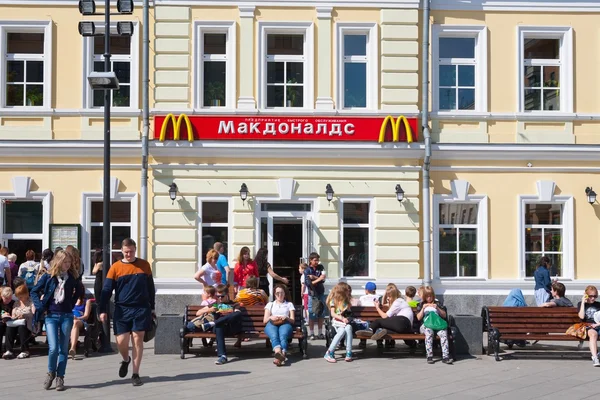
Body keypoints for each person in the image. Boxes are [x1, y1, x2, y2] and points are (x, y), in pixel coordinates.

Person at [99, 238, 155, 387]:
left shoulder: (144, 265)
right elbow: (106, 291)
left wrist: (153, 307)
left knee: (138, 339)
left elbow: (150, 288)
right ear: (122, 252)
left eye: (131, 251)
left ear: (135, 249)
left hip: (141, 308)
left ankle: (136, 373)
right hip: (122, 309)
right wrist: (102, 309)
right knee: (121, 342)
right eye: (126, 252)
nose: (128, 254)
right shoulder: (115, 267)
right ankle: (125, 360)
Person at [31, 250, 83, 391]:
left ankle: (60, 377)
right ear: (58, 262)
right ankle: (50, 373)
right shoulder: (49, 276)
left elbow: (79, 291)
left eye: (69, 262)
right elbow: (34, 291)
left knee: (63, 349)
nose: (67, 265)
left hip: (66, 315)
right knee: (53, 348)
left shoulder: (72, 277)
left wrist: (71, 304)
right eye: (65, 262)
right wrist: (40, 306)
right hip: (51, 315)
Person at [416, 286, 452, 365]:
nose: (429, 298)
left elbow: (444, 315)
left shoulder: (437, 303)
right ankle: (429, 355)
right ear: (424, 296)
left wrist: (438, 308)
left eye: (430, 296)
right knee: (429, 333)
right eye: (427, 296)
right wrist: (423, 309)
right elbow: (418, 318)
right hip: (426, 325)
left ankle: (445, 356)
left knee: (443, 333)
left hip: (437, 324)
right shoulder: (421, 304)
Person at [263, 284, 296, 366]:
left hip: (285, 322)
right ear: (274, 294)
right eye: (277, 293)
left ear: (285, 294)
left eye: (281, 293)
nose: (280, 295)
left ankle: (280, 356)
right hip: (272, 323)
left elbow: (292, 320)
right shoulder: (270, 304)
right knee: (274, 335)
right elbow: (265, 320)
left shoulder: (289, 304)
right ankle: (279, 353)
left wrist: (286, 318)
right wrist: (271, 317)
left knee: (283, 335)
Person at [212, 284, 243, 365]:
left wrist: (229, 312)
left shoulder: (235, 304)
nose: (219, 298)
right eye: (217, 296)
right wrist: (214, 311)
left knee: (237, 314)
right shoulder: (216, 305)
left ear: (227, 295)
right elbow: (204, 312)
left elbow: (237, 314)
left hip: (232, 328)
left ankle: (214, 323)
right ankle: (222, 356)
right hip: (221, 329)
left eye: (221, 296)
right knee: (219, 325)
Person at [324, 283, 353, 363]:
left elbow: (348, 313)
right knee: (342, 331)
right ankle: (330, 352)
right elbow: (333, 314)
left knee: (348, 328)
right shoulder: (333, 301)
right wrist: (341, 318)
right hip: (337, 322)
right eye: (347, 291)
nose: (348, 293)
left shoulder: (346, 302)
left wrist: (347, 317)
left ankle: (349, 352)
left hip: (344, 322)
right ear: (341, 291)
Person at [4, 284, 34, 359]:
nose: (19, 298)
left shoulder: (31, 302)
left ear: (26, 294)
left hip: (28, 323)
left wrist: (23, 314)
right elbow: (13, 313)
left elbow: (32, 313)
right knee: (9, 327)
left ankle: (25, 350)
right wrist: (14, 316)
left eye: (21, 296)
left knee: (21, 327)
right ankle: (9, 350)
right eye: (18, 297)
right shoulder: (16, 303)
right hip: (17, 321)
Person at [304, 252, 326, 340]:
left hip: (320, 292)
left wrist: (315, 277)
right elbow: (309, 284)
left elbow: (323, 279)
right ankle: (312, 333)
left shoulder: (320, 268)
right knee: (312, 313)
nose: (317, 262)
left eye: (318, 260)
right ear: (310, 260)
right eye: (315, 260)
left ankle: (320, 332)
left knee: (321, 313)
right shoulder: (307, 270)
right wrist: (318, 279)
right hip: (312, 294)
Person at [577, 285, 600, 367]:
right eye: (590, 296)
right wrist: (583, 302)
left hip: (598, 325)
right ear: (586, 295)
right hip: (587, 326)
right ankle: (595, 357)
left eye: (594, 296)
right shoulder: (581, 304)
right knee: (593, 334)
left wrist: (597, 324)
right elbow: (581, 317)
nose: (593, 298)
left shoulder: (599, 305)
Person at [69, 292, 92, 359]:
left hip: (80, 321)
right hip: (69, 320)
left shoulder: (87, 301)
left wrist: (77, 318)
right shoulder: (69, 300)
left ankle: (73, 347)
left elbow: (86, 316)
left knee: (75, 322)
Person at [0, 286, 16, 357]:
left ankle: (8, 350)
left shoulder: (13, 303)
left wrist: (12, 315)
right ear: (2, 296)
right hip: (1, 321)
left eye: (9, 298)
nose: (8, 300)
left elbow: (15, 313)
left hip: (10, 321)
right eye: (6, 298)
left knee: (9, 328)